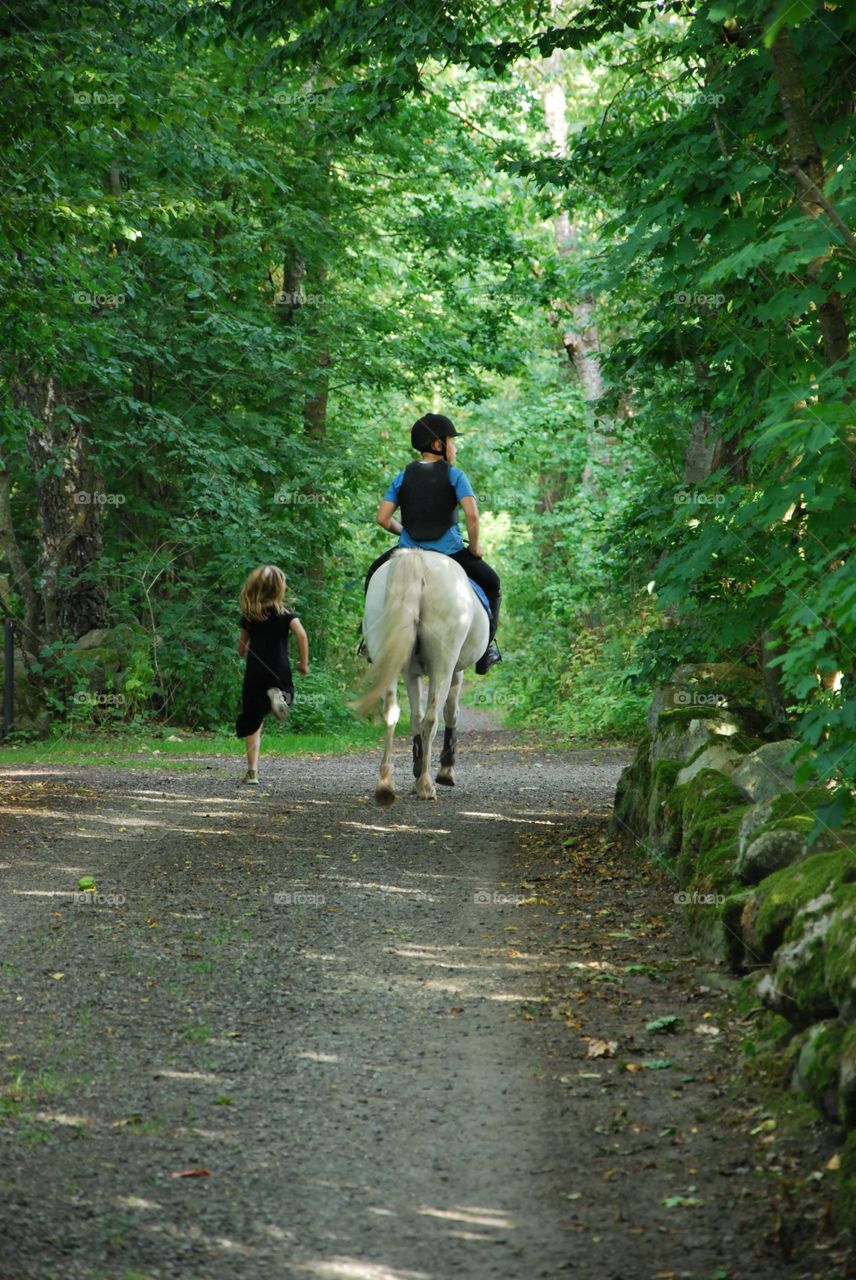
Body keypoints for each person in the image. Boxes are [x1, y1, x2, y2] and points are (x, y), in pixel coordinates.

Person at [364, 412, 502, 674]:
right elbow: (472, 514)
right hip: (450, 552)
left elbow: (383, 518)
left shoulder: (402, 477)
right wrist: (474, 548)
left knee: (373, 575)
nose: (455, 447)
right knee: (493, 584)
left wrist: (405, 532)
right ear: (438, 445)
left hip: (406, 549)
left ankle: (371, 644)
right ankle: (486, 651)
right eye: (452, 441)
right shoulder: (455, 475)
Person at [235, 564, 309, 785]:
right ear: (280, 589)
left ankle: (252, 772)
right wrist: (303, 664)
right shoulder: (287, 616)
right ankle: (280, 699)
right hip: (279, 670)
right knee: (287, 694)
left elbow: (241, 648)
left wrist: (244, 652)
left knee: (253, 720)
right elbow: (302, 636)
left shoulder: (250, 616)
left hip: (255, 672)